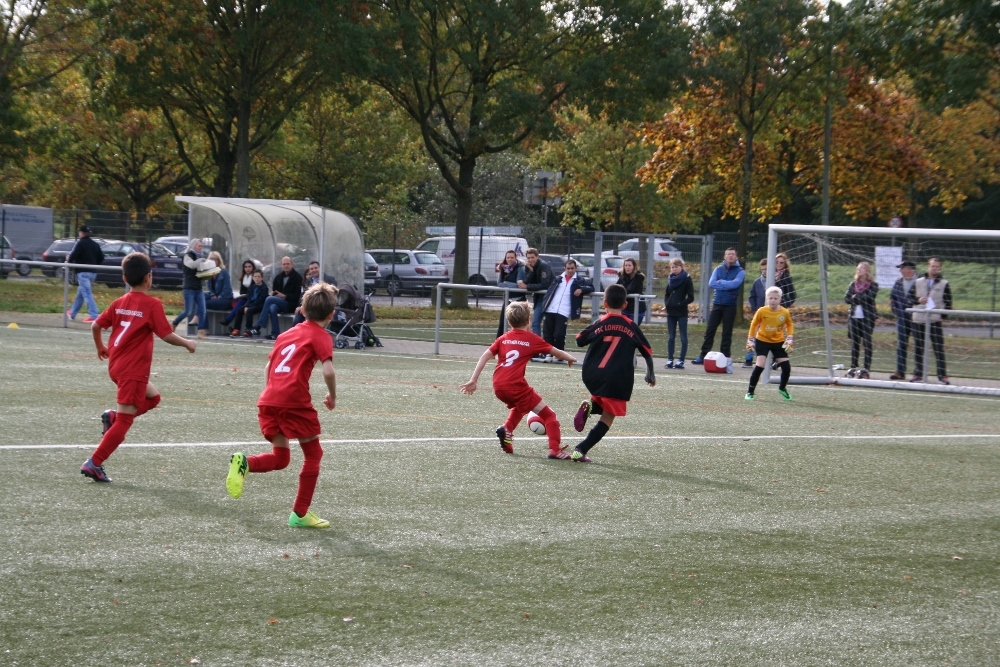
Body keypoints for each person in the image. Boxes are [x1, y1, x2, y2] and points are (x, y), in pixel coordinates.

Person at [225, 282, 339, 529]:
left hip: (268, 399)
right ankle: (300, 514)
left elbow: (268, 367)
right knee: (313, 454)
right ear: (331, 315)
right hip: (293, 402)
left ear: (303, 310)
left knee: (281, 457)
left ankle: (245, 463)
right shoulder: (322, 336)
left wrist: (271, 394)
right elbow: (328, 371)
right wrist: (332, 396)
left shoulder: (286, 334)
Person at [80, 252, 197, 483]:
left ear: (124, 278)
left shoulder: (119, 302)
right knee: (125, 421)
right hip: (132, 371)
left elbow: (95, 325)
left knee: (153, 398)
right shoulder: (152, 305)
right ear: (148, 277)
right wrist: (187, 343)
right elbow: (166, 335)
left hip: (116, 365)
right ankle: (94, 462)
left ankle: (112, 417)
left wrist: (100, 347)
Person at [460, 300, 578, 460]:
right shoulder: (531, 338)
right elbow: (555, 351)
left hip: (498, 386)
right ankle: (555, 450)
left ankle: (507, 430)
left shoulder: (503, 338)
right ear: (529, 319)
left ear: (509, 322)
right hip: (515, 385)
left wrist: (473, 380)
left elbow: (485, 356)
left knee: (520, 406)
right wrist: (570, 357)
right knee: (549, 415)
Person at [570, 284, 655, 463]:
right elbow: (647, 350)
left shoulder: (600, 322)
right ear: (625, 305)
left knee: (602, 399)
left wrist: (597, 325)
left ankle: (592, 406)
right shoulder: (630, 325)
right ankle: (580, 449)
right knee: (608, 416)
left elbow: (579, 340)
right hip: (617, 378)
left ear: (605, 303)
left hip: (592, 375)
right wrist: (650, 372)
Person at [692, 248, 745, 372]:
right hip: (717, 304)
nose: (730, 256)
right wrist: (727, 285)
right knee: (710, 331)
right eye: (728, 254)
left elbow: (735, 284)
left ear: (736, 257)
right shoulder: (718, 269)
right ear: (724, 256)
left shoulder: (740, 271)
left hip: (730, 305)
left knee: (727, 333)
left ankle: (725, 358)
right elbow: (712, 283)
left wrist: (721, 282)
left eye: (733, 254)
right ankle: (703, 356)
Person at [744, 286, 794, 401]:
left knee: (786, 368)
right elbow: (754, 324)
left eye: (775, 298)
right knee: (760, 366)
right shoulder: (762, 311)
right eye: (770, 298)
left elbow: (789, 324)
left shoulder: (784, 312)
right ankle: (750, 392)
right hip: (762, 341)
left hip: (778, 342)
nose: (773, 300)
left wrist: (790, 337)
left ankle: (782, 388)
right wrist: (750, 338)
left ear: (780, 299)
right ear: (766, 299)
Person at [540, 258, 594, 358]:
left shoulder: (579, 280)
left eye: (572, 268)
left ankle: (559, 355)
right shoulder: (558, 279)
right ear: (564, 268)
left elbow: (591, 287)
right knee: (547, 334)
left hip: (563, 311)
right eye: (568, 268)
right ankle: (547, 354)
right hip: (550, 309)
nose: (570, 270)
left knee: (559, 334)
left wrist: (581, 289)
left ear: (576, 268)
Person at [910, 257, 952, 384]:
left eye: (937, 267)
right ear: (928, 267)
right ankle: (918, 374)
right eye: (933, 266)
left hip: (934, 320)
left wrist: (942, 316)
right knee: (919, 348)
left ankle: (942, 376)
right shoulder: (918, 281)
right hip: (919, 319)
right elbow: (909, 298)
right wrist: (918, 300)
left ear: (940, 268)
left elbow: (949, 303)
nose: (935, 269)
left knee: (938, 348)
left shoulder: (944, 283)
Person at [250, 256, 302, 340]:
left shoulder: (297, 278)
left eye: (288, 264)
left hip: (290, 304)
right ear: (281, 265)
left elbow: (298, 296)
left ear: (292, 264)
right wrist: (273, 293)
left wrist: (285, 296)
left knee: (269, 299)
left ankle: (259, 326)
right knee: (272, 307)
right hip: (279, 302)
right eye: (284, 264)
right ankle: (275, 333)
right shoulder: (278, 277)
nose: (286, 266)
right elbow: (275, 290)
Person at [844, 261, 878, 379]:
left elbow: (869, 297)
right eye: (858, 268)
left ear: (867, 271)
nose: (859, 270)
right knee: (855, 343)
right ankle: (853, 367)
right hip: (854, 317)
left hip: (867, 318)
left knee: (867, 342)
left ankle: (866, 369)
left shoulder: (873, 285)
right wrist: (856, 298)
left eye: (861, 268)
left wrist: (856, 297)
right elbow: (847, 298)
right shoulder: (853, 284)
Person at [65, 225, 105, 323]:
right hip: (93, 273)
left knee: (86, 293)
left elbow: (72, 256)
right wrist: (93, 263)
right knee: (81, 293)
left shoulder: (80, 243)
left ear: (81, 233)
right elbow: (101, 257)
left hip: (83, 272)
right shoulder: (95, 244)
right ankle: (72, 313)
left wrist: (68, 260)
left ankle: (94, 315)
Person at [172, 238, 209, 340]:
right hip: (189, 288)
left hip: (198, 288)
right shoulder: (187, 256)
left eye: (201, 246)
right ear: (193, 246)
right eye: (199, 246)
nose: (201, 248)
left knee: (203, 310)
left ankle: (200, 332)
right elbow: (192, 265)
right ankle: (174, 323)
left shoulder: (200, 256)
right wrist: (201, 260)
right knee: (188, 312)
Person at [889, 260, 919, 381]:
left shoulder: (920, 281)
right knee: (901, 344)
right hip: (902, 318)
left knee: (918, 344)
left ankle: (918, 372)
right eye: (901, 269)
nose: (901, 271)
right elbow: (893, 297)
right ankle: (900, 371)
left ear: (910, 269)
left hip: (917, 318)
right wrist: (896, 310)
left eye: (903, 268)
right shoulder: (898, 282)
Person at [664, 257, 694, 369]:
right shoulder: (670, 279)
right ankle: (670, 359)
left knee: (683, 337)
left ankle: (681, 360)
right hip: (671, 312)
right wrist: (667, 303)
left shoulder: (686, 279)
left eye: (676, 267)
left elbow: (691, 297)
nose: (674, 269)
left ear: (681, 267)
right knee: (671, 337)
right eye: (672, 267)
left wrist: (680, 303)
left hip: (681, 312)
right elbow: (667, 294)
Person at [517, 248, 553, 338]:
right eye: (528, 258)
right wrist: (531, 271)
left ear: (537, 257)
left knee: (537, 322)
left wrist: (528, 287)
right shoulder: (529, 266)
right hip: (539, 296)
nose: (530, 260)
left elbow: (545, 284)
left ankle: (538, 344)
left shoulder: (544, 266)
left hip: (548, 297)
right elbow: (526, 281)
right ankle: (538, 343)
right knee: (536, 322)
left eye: (532, 257)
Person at [744, 259, 768, 367]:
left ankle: (772, 360)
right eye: (762, 269)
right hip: (759, 313)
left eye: (766, 269)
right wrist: (755, 308)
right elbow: (751, 296)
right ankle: (749, 358)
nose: (764, 271)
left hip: (771, 315)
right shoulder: (757, 282)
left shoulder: (775, 281)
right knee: (753, 335)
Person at [496, 250, 524, 337]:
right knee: (502, 323)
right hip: (508, 299)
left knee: (519, 325)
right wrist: (509, 285)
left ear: (515, 258)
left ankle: (520, 342)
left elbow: (519, 285)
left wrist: (506, 283)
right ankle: (498, 342)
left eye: (512, 257)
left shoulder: (520, 267)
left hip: (519, 300)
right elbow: (499, 283)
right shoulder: (502, 267)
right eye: (508, 257)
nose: (510, 259)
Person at [223, 260, 257, 334]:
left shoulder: (255, 277)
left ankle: (229, 322)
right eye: (246, 267)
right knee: (239, 305)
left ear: (253, 267)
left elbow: (254, 292)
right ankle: (235, 329)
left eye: (249, 267)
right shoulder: (243, 278)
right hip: (245, 298)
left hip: (253, 300)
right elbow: (242, 291)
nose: (247, 268)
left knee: (240, 305)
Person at [235, 269, 269, 337]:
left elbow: (260, 300)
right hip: (251, 304)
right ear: (253, 278)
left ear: (262, 278)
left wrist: (249, 306)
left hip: (259, 305)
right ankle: (236, 329)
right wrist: (246, 306)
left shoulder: (264, 288)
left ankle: (248, 329)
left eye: (259, 277)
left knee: (249, 311)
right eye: (255, 276)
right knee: (239, 310)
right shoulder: (251, 287)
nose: (257, 278)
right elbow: (249, 298)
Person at [616, 258, 647, 325]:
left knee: (632, 329)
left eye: (629, 265)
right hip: (625, 308)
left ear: (634, 266)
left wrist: (620, 291)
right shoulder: (622, 276)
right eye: (626, 265)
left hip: (637, 309)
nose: (627, 267)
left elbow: (631, 290)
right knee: (623, 328)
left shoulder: (638, 277)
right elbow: (616, 287)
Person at [292, 261, 322, 325]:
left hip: (322, 307)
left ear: (320, 268)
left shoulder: (329, 279)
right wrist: (300, 306)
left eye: (315, 268)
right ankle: (295, 331)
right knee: (298, 317)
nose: (314, 270)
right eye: (311, 269)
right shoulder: (308, 281)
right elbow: (303, 295)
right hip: (308, 308)